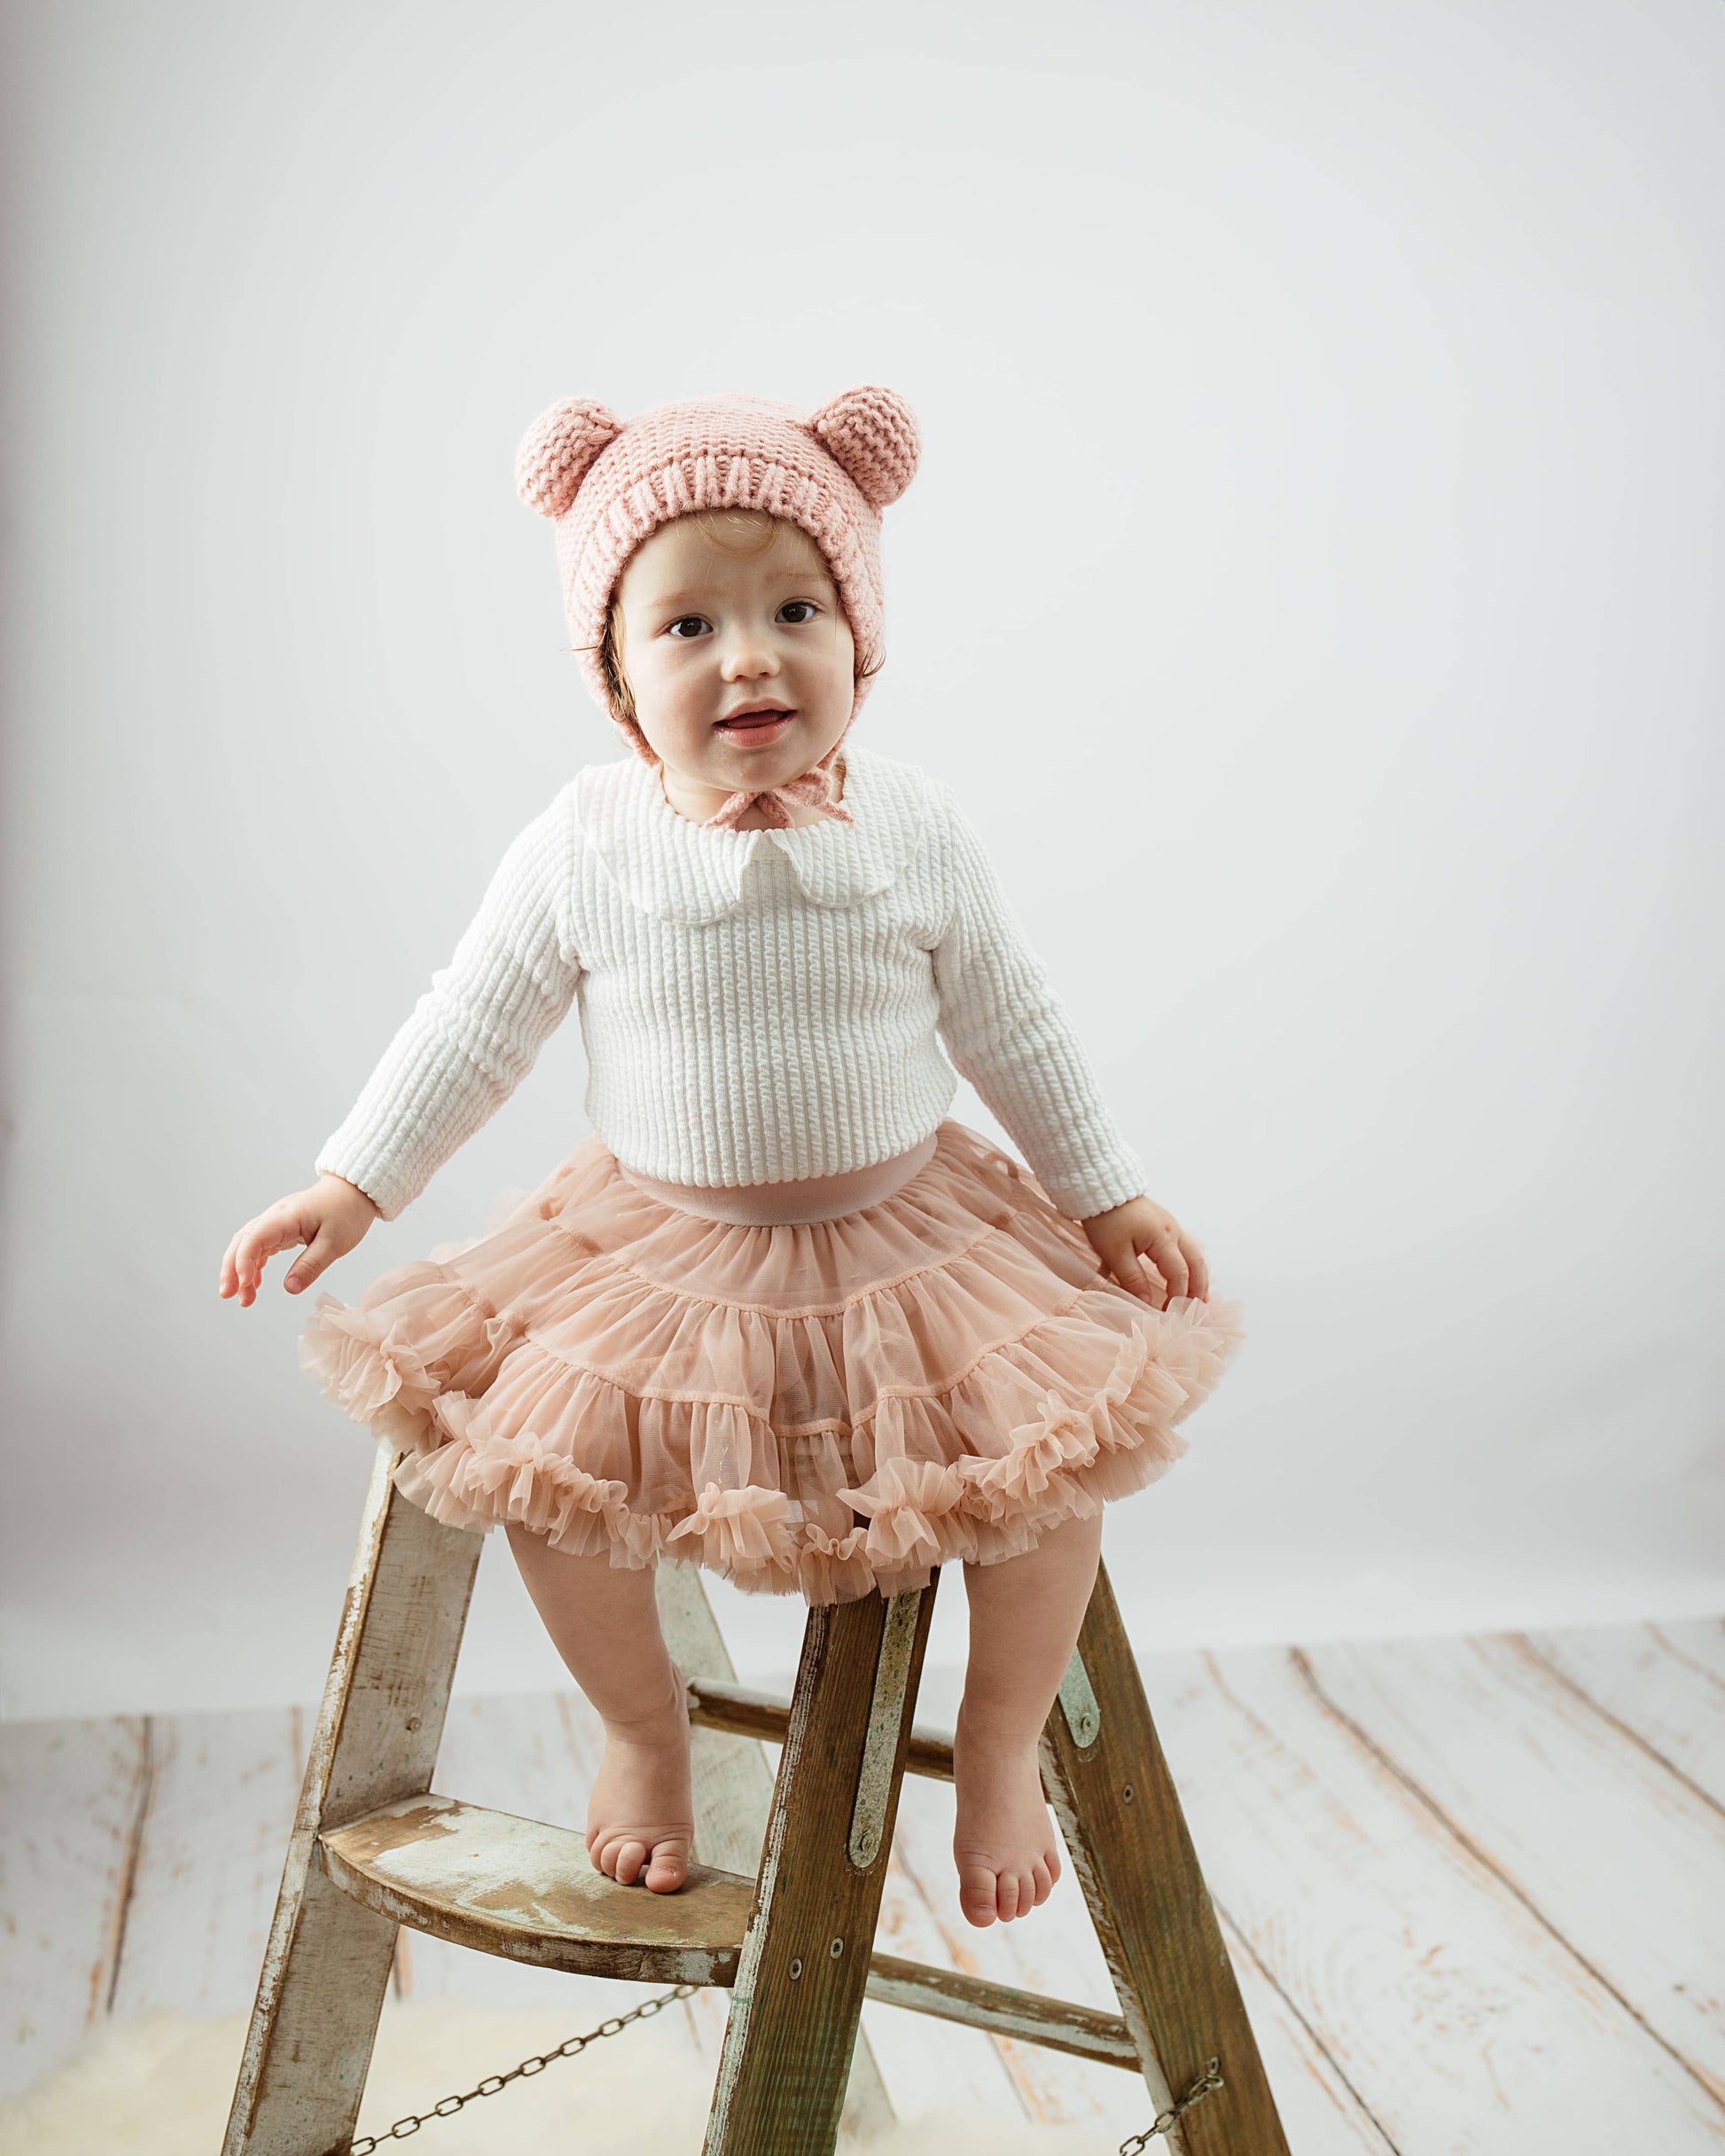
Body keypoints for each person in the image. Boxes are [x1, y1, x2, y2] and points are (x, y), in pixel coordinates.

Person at [218, 387, 1245, 1929]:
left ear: (858, 635)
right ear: (620, 682)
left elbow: (1013, 1024)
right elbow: (470, 1027)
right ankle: (646, 1732)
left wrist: (1105, 1191)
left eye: (793, 608)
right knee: (556, 1495)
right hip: (660, 1251)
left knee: (1046, 1493)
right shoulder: (584, 840)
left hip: (915, 1237)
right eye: (686, 627)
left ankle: (998, 1737)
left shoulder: (914, 826)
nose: (750, 654)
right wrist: (349, 1182)